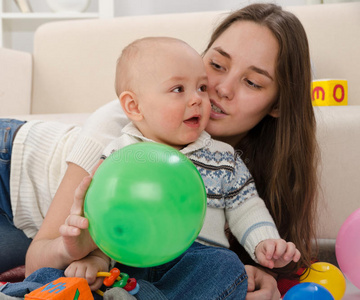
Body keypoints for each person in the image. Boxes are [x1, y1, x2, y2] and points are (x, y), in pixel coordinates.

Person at [2, 2, 318, 299]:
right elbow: (44, 256)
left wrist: (262, 263)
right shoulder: (125, 127)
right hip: (9, 168)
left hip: (102, 247)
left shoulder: (230, 161)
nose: (221, 88)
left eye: (251, 82)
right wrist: (86, 253)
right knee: (47, 274)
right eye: (217, 65)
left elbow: (239, 219)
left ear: (277, 103)